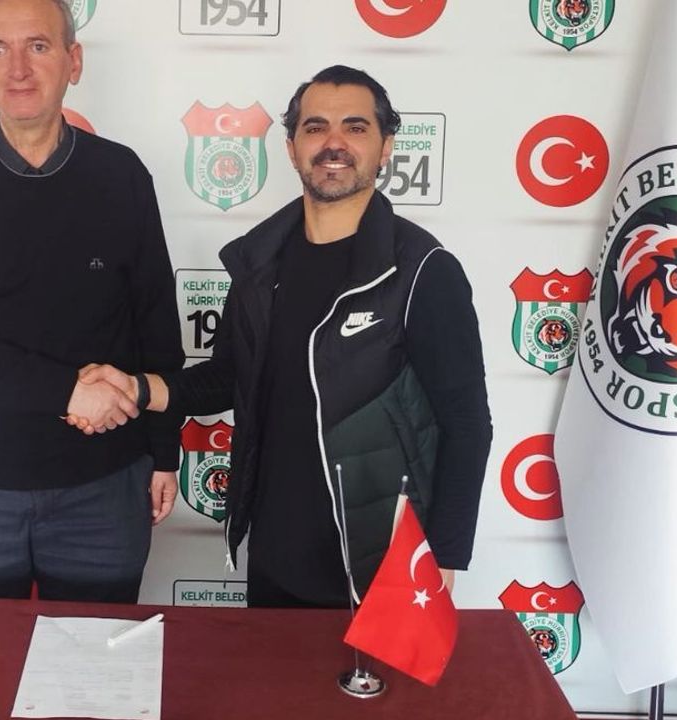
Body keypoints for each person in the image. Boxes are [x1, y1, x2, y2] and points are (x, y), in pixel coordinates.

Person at [73, 66, 493, 608]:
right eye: (315, 128)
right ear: (292, 148)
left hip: (381, 559)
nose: (334, 143)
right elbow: (227, 377)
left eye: (355, 127)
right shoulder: (259, 263)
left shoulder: (422, 270)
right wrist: (136, 388)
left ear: (386, 146)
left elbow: (467, 422)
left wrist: (444, 554)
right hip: (275, 550)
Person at [0, 0, 183, 604]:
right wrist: (67, 393)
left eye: (38, 46)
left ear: (73, 61)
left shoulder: (122, 175)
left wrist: (164, 452)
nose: (18, 69)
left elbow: (156, 325)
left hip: (102, 489)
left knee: (94, 661)